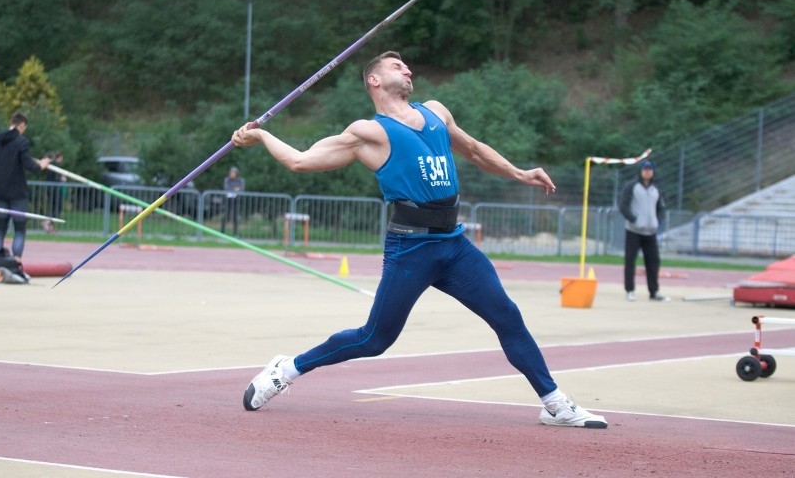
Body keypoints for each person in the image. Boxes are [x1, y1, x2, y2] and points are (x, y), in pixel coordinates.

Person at [231, 51, 608, 429]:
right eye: (397, 66)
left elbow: (475, 150)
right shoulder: (368, 133)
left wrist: (519, 173)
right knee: (374, 340)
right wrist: (262, 134)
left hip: (454, 245)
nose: (408, 69)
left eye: (407, 65)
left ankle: (554, 403)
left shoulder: (436, 112)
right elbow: (299, 160)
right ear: (374, 81)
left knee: (507, 316)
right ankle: (286, 370)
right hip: (411, 248)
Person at [0, 112, 50, 260]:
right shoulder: (21, 142)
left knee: (0, 229)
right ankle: (17, 261)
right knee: (20, 230)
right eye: (24, 128)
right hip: (17, 193)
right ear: (21, 125)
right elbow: (29, 165)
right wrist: (42, 165)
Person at [619, 160, 668, 302]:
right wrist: (634, 219)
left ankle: (654, 291)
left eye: (650, 169)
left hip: (650, 232)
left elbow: (661, 208)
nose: (647, 172)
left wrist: (657, 221)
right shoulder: (632, 187)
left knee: (653, 261)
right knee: (630, 260)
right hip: (633, 231)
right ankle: (630, 290)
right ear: (640, 171)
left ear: (653, 172)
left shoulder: (656, 190)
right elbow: (623, 205)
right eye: (645, 169)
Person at [43, 151, 66, 233]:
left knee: (53, 207)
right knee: (57, 207)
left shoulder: (50, 165)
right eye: (61, 158)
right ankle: (47, 222)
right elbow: (56, 178)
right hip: (54, 189)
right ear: (59, 157)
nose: (62, 160)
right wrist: (61, 179)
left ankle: (49, 225)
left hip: (50, 188)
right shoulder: (56, 166)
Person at [220, 166, 245, 236]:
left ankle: (235, 233)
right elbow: (226, 188)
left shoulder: (240, 180)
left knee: (235, 217)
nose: (232, 174)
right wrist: (235, 189)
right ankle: (222, 232)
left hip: (236, 200)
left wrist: (236, 190)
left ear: (237, 173)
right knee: (225, 216)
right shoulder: (227, 180)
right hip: (228, 200)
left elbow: (241, 189)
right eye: (231, 172)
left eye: (233, 173)